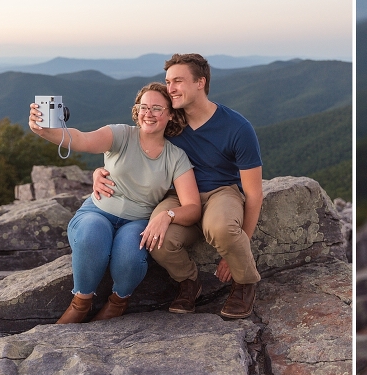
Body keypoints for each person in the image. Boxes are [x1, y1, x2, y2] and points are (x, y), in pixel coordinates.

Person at [93, 53, 263, 319]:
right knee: (154, 238)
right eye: (168, 81)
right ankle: (189, 283)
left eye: (178, 81)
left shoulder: (237, 128)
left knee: (220, 227)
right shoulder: (172, 121)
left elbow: (253, 193)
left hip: (220, 193)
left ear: (200, 83)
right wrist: (100, 171)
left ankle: (244, 284)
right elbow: (134, 141)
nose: (170, 88)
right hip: (179, 195)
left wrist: (238, 247)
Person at [29, 83, 201, 323]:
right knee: (91, 234)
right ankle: (81, 303)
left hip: (138, 220)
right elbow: (81, 140)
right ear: (136, 110)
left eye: (156, 108)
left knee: (130, 255)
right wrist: (44, 131)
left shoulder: (176, 157)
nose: (148, 113)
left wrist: (167, 215)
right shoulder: (120, 134)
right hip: (98, 210)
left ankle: (118, 302)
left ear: (170, 114)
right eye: (143, 107)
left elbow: (193, 207)